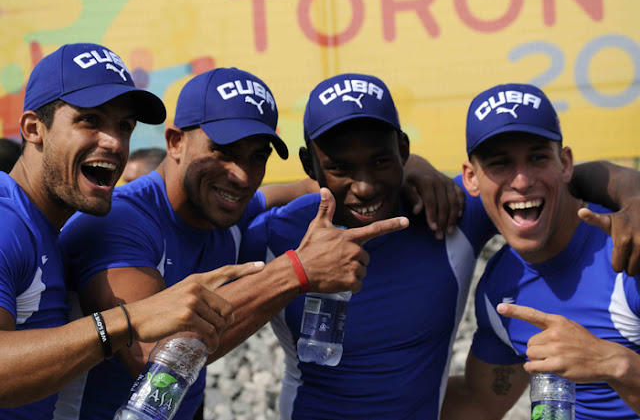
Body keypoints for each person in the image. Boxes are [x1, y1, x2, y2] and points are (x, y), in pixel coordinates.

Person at [238, 74, 640, 419]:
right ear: (311, 166)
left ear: (403, 151)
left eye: (381, 161)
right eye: (341, 168)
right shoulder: (273, 236)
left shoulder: (448, 213)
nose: (364, 186)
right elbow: (207, 246)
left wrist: (635, 197)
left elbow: (555, 180)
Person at [58, 67, 413, 420]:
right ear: (176, 142)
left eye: (257, 156)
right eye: (223, 152)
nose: (242, 176)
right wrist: (296, 272)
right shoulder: (118, 222)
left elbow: (312, 185)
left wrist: (410, 170)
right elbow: (154, 360)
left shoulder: (224, 207)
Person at [0, 42, 261, 419]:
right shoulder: (8, 222)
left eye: (123, 126)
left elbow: (267, 197)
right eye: (90, 120)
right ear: (34, 128)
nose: (114, 142)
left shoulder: (42, 227)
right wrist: (130, 319)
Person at [441, 83, 640, 419]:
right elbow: (480, 402)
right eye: (500, 163)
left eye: (537, 158)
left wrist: (616, 364)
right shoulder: (498, 290)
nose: (521, 181)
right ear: (470, 178)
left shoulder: (627, 251)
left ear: (565, 164)